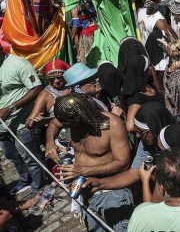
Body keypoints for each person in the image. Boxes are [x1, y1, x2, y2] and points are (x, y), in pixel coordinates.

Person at [46, 93, 133, 232]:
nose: (65, 126)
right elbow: (53, 123)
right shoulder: (69, 118)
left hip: (110, 192)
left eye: (69, 123)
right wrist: (50, 142)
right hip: (84, 190)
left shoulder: (111, 124)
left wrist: (83, 170)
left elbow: (123, 163)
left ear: (80, 117)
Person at [0, 52, 45, 196]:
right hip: (2, 126)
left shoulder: (18, 63)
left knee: (29, 156)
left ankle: (39, 186)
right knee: (12, 155)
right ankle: (25, 180)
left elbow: (37, 88)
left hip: (20, 123)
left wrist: (11, 108)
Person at [26, 59, 71, 129]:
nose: (56, 81)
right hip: (58, 135)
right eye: (52, 79)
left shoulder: (74, 87)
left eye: (59, 77)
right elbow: (29, 121)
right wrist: (33, 122)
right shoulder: (45, 94)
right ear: (47, 78)